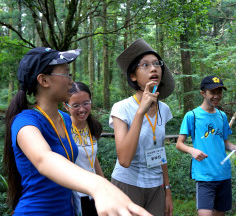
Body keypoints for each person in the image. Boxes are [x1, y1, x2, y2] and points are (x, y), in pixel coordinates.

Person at [4, 47, 151, 216]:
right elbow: (44, 159)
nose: (71, 82)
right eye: (66, 74)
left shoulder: (65, 118)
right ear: (44, 80)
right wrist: (99, 186)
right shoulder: (25, 122)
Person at [109, 39, 175, 216]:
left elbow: (160, 151)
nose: (153, 69)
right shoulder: (121, 108)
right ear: (133, 76)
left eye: (156, 64)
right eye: (145, 65)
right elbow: (124, 159)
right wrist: (140, 112)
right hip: (127, 185)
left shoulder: (164, 109)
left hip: (156, 186)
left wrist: (167, 190)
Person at [176, 75, 236, 216]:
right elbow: (179, 144)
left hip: (223, 174)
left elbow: (225, 142)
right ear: (203, 93)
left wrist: (235, 148)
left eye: (219, 92)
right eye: (212, 92)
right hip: (204, 175)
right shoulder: (192, 115)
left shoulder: (222, 116)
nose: (217, 96)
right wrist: (192, 151)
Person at [64, 82, 104, 216]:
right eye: (75, 105)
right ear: (66, 106)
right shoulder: (64, 131)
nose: (82, 109)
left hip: (95, 190)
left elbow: (93, 158)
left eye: (86, 103)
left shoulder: (92, 126)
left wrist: (105, 185)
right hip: (77, 193)